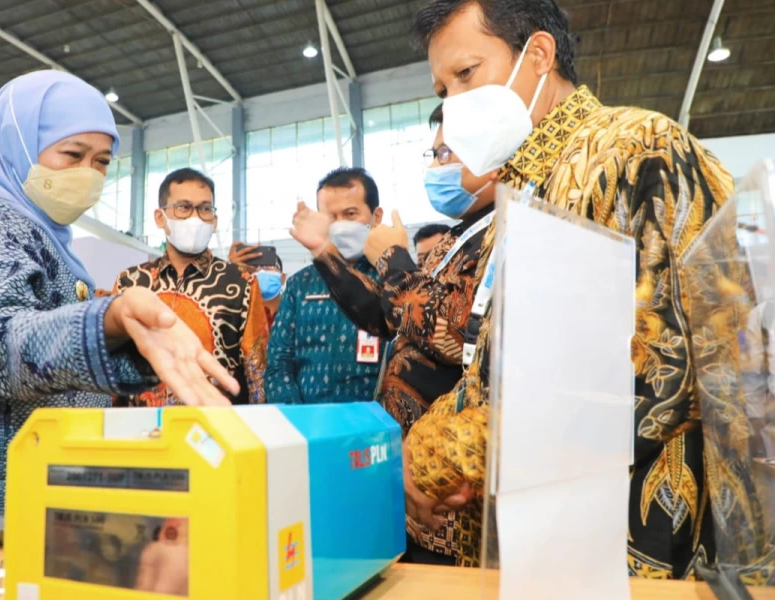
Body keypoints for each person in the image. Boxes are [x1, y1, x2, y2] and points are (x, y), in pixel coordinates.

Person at [400, 0, 734, 579]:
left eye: (467, 75)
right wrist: (428, 440)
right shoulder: (525, 192)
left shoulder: (637, 148)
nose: (452, 107)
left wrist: (459, 450)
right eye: (442, 90)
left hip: (637, 541)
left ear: (538, 55)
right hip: (543, 535)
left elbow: (669, 368)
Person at [0, 71, 237, 515]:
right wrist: (108, 318)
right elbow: (0, 346)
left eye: (102, 161)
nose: (88, 174)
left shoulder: (44, 234)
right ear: (20, 143)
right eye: (73, 154)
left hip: (48, 481)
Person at [290, 110, 496, 564]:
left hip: (450, 485)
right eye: (434, 153)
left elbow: (450, 335)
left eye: (445, 153)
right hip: (404, 472)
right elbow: (385, 318)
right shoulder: (461, 237)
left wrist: (392, 260)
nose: (437, 166)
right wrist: (325, 253)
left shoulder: (504, 232)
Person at [115, 168, 268, 406]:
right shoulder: (131, 282)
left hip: (214, 426)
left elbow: (256, 371)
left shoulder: (240, 282)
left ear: (214, 220)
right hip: (140, 428)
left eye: (205, 209)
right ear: (160, 217)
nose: (195, 218)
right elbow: (112, 361)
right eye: (184, 207)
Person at [268, 168, 386, 405]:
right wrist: (297, 419)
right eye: (330, 217)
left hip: (378, 425)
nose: (340, 225)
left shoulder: (393, 279)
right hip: (311, 425)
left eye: (351, 214)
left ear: (376, 216)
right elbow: (278, 362)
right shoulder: (300, 285)